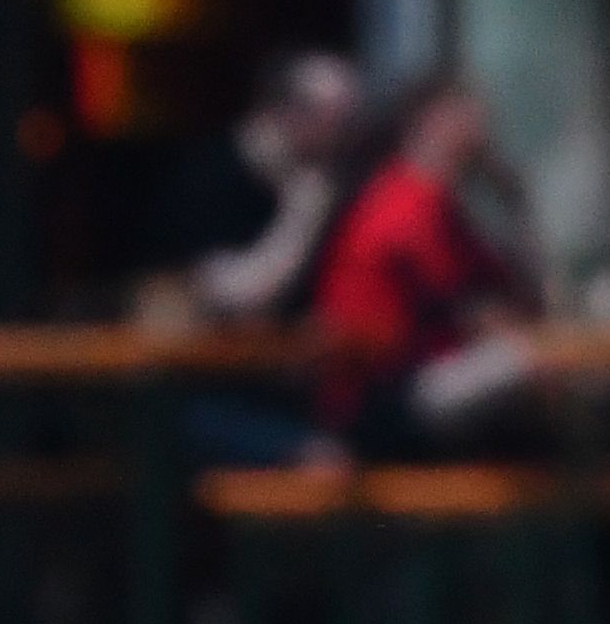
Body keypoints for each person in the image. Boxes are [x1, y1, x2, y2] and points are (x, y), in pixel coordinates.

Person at [304, 72, 550, 459]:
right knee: (526, 366)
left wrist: (515, 201)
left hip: (419, 380)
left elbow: (514, 294)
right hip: (377, 399)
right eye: (466, 117)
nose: (480, 132)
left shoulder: (441, 202)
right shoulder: (401, 199)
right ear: (431, 120)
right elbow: (469, 310)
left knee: (552, 379)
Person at [133, 49, 364, 330]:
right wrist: (304, 212)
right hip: (207, 352)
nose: (340, 136)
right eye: (333, 120)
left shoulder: (324, 178)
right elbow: (233, 293)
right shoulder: (210, 175)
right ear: (285, 110)